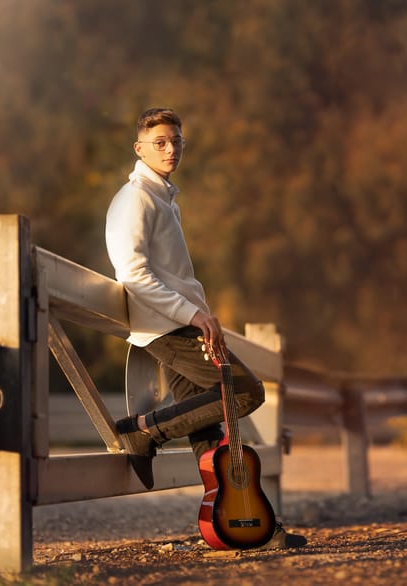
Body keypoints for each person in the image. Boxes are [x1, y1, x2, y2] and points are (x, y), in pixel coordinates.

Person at [105, 107, 305, 549]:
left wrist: (198, 311)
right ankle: (143, 430)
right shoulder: (134, 198)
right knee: (246, 393)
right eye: (160, 142)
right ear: (140, 148)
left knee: (208, 432)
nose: (171, 149)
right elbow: (132, 274)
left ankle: (243, 527)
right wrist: (193, 315)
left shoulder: (162, 198)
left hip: (180, 321)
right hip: (169, 328)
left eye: (176, 140)